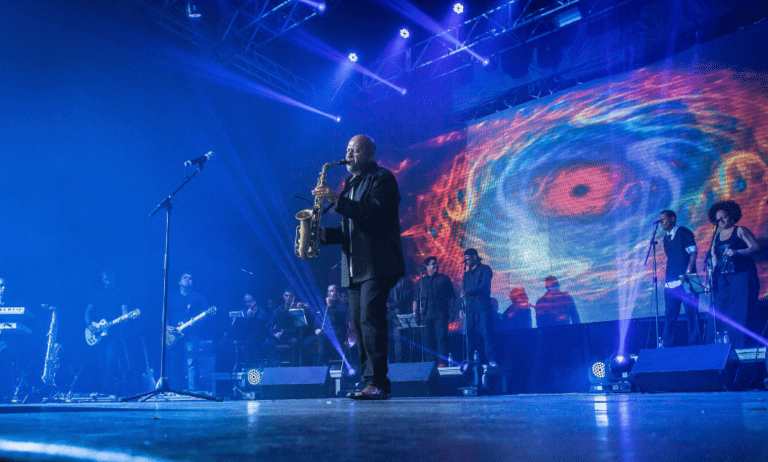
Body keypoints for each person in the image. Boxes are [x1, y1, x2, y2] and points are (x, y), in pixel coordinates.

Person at [313, 134, 406, 400]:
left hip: (378, 261)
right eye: (347, 150)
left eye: (354, 150)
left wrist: (334, 197)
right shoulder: (351, 184)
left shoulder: (382, 179)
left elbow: (374, 217)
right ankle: (370, 382)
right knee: (358, 322)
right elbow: (348, 231)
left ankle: (379, 383)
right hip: (354, 265)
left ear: (370, 154)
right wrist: (321, 233)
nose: (348, 154)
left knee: (370, 320)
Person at [707, 200, 760, 348]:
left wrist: (737, 252)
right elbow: (713, 257)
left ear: (731, 216)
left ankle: (741, 345)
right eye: (718, 219)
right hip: (722, 278)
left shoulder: (740, 230)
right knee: (720, 310)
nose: (721, 221)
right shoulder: (716, 235)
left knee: (740, 311)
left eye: (723, 217)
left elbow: (755, 247)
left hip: (741, 276)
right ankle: (721, 345)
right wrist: (710, 278)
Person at [659, 210, 701, 347]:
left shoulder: (683, 232)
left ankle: (695, 346)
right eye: (660, 220)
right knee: (670, 316)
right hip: (671, 283)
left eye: (664, 219)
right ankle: (668, 346)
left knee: (692, 314)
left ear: (672, 219)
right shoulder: (665, 239)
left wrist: (688, 273)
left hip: (686, 280)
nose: (662, 223)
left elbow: (693, 252)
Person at [85, 270, 129, 396]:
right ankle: (99, 390)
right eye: (105, 279)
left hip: (114, 332)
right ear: (102, 278)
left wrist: (125, 317)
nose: (108, 281)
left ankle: (107, 391)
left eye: (110, 279)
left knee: (111, 360)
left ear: (114, 277)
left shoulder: (121, 293)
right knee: (100, 361)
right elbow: (88, 311)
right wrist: (89, 325)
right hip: (98, 332)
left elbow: (124, 311)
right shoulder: (96, 293)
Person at [166, 272, 207, 392]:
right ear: (179, 282)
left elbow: (204, 314)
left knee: (191, 362)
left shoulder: (197, 297)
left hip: (191, 334)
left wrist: (196, 321)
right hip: (173, 335)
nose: (188, 279)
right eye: (185, 277)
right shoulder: (172, 297)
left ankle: (192, 391)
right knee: (174, 363)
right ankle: (175, 391)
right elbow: (165, 314)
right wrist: (167, 327)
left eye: (191, 278)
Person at [413, 257, 456, 366]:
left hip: (441, 314)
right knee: (427, 340)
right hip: (426, 315)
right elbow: (415, 299)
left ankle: (442, 362)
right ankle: (430, 362)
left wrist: (453, 311)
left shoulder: (444, 279)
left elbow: (451, 296)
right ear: (426, 267)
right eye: (433, 264)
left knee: (441, 339)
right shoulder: (421, 281)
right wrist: (415, 312)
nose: (435, 266)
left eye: (436, 264)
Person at [461, 248, 497, 367]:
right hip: (470, 308)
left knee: (486, 333)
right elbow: (463, 293)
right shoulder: (466, 274)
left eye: (468, 258)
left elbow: (484, 286)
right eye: (464, 258)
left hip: (482, 307)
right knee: (470, 335)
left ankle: (491, 359)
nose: (466, 261)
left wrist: (469, 292)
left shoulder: (485, 269)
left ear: (475, 257)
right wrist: (462, 307)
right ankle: (469, 360)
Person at [304, 284, 348, 366]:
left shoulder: (342, 305)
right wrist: (316, 328)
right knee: (306, 343)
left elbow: (341, 319)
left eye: (331, 291)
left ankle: (321, 363)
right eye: (328, 291)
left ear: (337, 293)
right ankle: (317, 362)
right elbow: (317, 320)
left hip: (337, 332)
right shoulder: (324, 307)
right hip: (323, 333)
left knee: (322, 337)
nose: (329, 293)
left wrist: (331, 306)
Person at [261, 287, 302, 366]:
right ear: (283, 296)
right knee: (265, 345)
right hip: (279, 337)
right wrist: (274, 334)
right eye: (286, 296)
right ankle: (277, 364)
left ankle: (292, 367)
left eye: (290, 296)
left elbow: (300, 326)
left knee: (295, 342)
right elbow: (270, 325)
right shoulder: (277, 310)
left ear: (293, 297)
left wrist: (298, 311)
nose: (288, 298)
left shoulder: (297, 309)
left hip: (291, 337)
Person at [387, 276, 414, 363]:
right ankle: (388, 359)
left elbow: (407, 297)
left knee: (398, 338)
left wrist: (395, 305)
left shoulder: (406, 281)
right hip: (389, 313)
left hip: (400, 313)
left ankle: (399, 360)